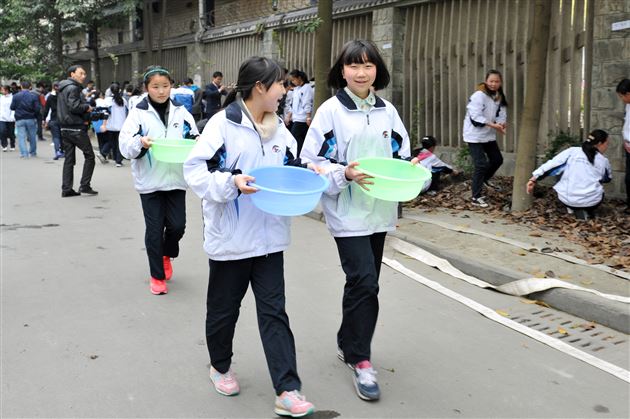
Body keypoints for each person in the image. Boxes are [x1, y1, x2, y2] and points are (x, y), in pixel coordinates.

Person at [183, 57, 317, 418]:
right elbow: (195, 171)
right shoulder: (222, 125)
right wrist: (231, 183)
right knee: (225, 310)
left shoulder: (280, 130)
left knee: (274, 312)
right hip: (231, 239)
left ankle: (288, 389)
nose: (285, 91)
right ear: (260, 87)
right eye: (281, 85)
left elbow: (296, 168)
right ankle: (220, 366)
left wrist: (327, 173)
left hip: (270, 239)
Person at [300, 39, 411, 402]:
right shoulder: (331, 112)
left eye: (368, 65)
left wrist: (410, 170)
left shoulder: (387, 112)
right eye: (353, 66)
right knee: (364, 280)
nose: (361, 73)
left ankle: (349, 342)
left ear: (377, 69)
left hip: (379, 210)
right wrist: (342, 174)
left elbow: (400, 152)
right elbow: (312, 161)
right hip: (347, 211)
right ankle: (361, 361)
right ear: (341, 71)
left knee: (366, 282)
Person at [119, 65, 199, 295]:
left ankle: (167, 253)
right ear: (147, 88)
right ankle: (157, 275)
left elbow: (191, 134)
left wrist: (198, 139)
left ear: (171, 86)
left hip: (175, 178)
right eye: (156, 87)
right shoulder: (138, 112)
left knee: (177, 226)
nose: (161, 91)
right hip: (150, 180)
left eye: (165, 86)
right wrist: (140, 143)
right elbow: (125, 145)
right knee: (154, 230)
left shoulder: (181, 111)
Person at [526, 129, 612, 220]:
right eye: (606, 144)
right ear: (599, 144)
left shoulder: (572, 152)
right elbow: (607, 179)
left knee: (560, 170)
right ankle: (585, 210)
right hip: (592, 201)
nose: (607, 147)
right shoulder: (603, 161)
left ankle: (572, 208)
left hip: (567, 199)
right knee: (599, 188)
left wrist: (533, 179)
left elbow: (550, 166)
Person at [463, 69, 508, 208]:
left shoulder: (498, 96)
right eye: (491, 81)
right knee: (481, 164)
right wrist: (494, 125)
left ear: (500, 83)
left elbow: (502, 112)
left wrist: (501, 124)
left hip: (488, 135)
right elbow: (475, 116)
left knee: (497, 160)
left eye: (497, 81)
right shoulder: (479, 95)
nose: (494, 84)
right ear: (486, 81)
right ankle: (475, 197)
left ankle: (484, 180)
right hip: (474, 136)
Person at [57, 64, 98, 197]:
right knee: (90, 156)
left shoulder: (62, 88)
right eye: (81, 73)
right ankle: (85, 185)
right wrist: (87, 107)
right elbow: (74, 106)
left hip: (64, 127)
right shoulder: (73, 88)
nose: (83, 76)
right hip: (75, 128)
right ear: (72, 74)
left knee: (69, 159)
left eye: (84, 74)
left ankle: (66, 189)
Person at [10, 81, 41, 158]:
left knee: (21, 137)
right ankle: (33, 152)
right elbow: (37, 108)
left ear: (21, 86)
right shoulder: (34, 96)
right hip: (31, 118)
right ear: (30, 87)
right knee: (32, 136)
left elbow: (12, 107)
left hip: (20, 118)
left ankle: (24, 154)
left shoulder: (16, 96)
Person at [286, 69, 313, 155]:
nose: (293, 82)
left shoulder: (307, 88)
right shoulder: (297, 89)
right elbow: (293, 103)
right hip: (295, 117)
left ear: (299, 78)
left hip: (302, 118)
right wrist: (289, 116)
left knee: (295, 137)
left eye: (294, 79)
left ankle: (298, 155)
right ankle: (300, 154)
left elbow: (307, 103)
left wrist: (308, 117)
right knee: (300, 138)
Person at [616, 78, 630, 214]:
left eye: (622, 96)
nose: (621, 99)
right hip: (628, 146)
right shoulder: (628, 105)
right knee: (628, 178)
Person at [105, 83, 127, 167]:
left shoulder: (108, 100)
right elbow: (126, 112)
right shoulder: (123, 100)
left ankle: (112, 157)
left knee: (113, 142)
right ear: (119, 90)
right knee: (119, 143)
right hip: (121, 125)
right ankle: (118, 161)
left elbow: (106, 112)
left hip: (111, 125)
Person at [43, 82, 64, 160]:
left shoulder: (50, 97)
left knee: (56, 137)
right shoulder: (63, 96)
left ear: (52, 87)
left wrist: (44, 119)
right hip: (63, 119)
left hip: (54, 119)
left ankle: (57, 152)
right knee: (63, 136)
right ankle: (62, 151)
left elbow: (46, 109)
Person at [0, 85, 16, 151]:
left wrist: (12, 116)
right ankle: (4, 145)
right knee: (2, 131)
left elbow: (14, 108)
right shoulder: (1, 98)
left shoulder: (13, 98)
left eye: (2, 90)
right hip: (2, 118)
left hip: (10, 118)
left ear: (7, 90)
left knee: (11, 133)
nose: (1, 91)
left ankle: (12, 145)